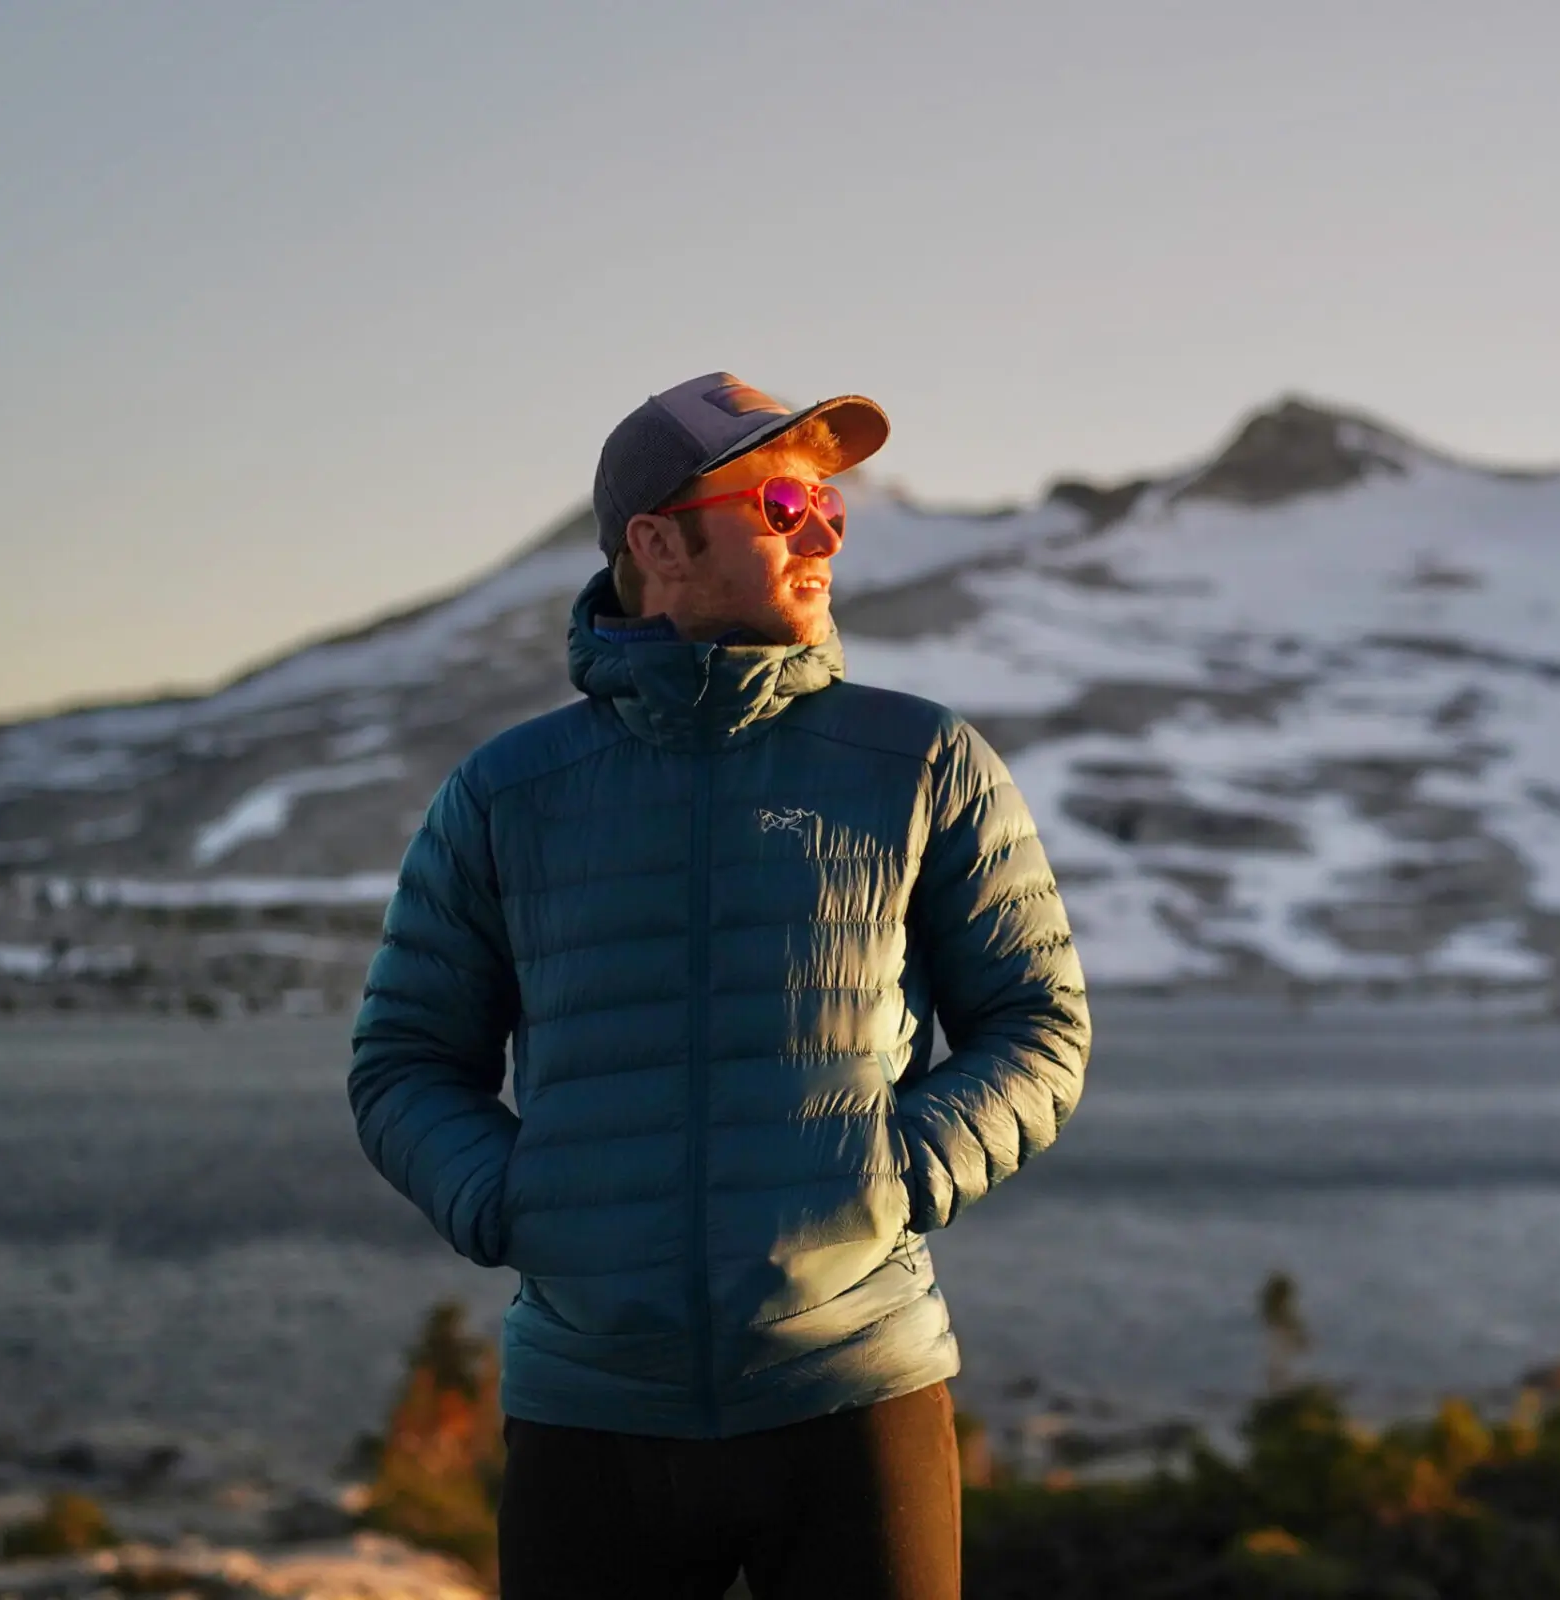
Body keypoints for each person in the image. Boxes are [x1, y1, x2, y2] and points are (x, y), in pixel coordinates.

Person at [347, 371, 1091, 1599]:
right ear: (659, 541)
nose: (828, 528)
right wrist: (517, 1200)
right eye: (787, 498)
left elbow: (1039, 1027)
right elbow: (404, 1065)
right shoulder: (506, 792)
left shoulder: (919, 760)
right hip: (592, 1411)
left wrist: (894, 1173)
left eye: (833, 502)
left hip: (857, 1389)